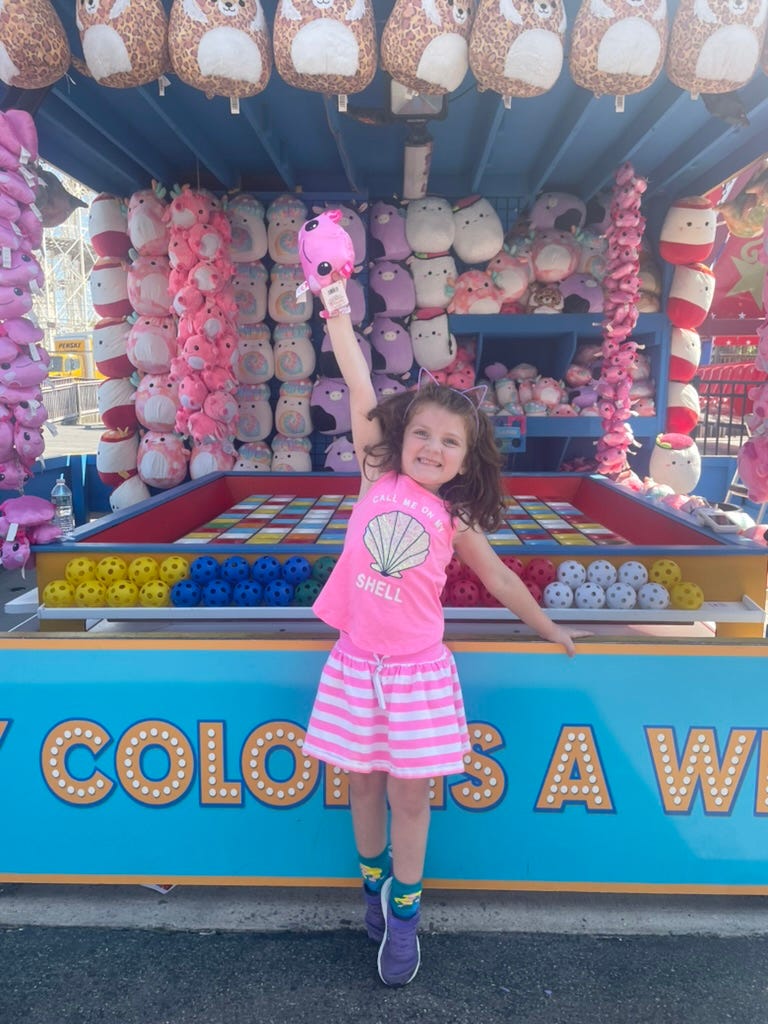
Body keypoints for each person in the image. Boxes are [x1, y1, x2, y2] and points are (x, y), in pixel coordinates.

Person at [302, 281, 580, 988]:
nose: (431, 446)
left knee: (410, 798)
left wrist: (548, 626)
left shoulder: (455, 521)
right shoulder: (375, 476)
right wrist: (334, 307)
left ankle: (405, 915)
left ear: (464, 460)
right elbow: (359, 379)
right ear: (401, 438)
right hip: (354, 664)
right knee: (360, 790)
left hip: (419, 673)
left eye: (448, 441)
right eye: (421, 432)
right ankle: (371, 887)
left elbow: (504, 581)